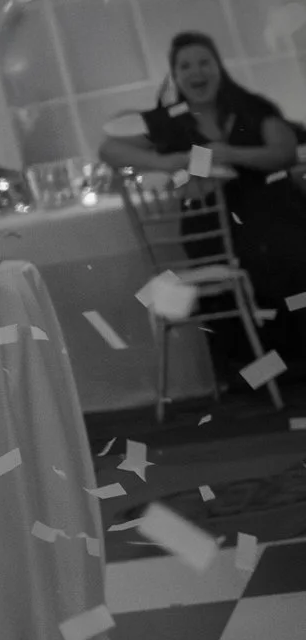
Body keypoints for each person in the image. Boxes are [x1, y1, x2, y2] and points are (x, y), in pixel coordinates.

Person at [97, 29, 305, 380]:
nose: (197, 72)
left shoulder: (250, 108)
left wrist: (229, 153)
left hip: (274, 213)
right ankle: (257, 376)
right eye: (185, 66)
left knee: (289, 253)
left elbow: (283, 151)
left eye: (204, 63)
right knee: (258, 256)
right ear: (175, 76)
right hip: (213, 230)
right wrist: (172, 160)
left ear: (218, 67)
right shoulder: (169, 121)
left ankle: (296, 365)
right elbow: (109, 150)